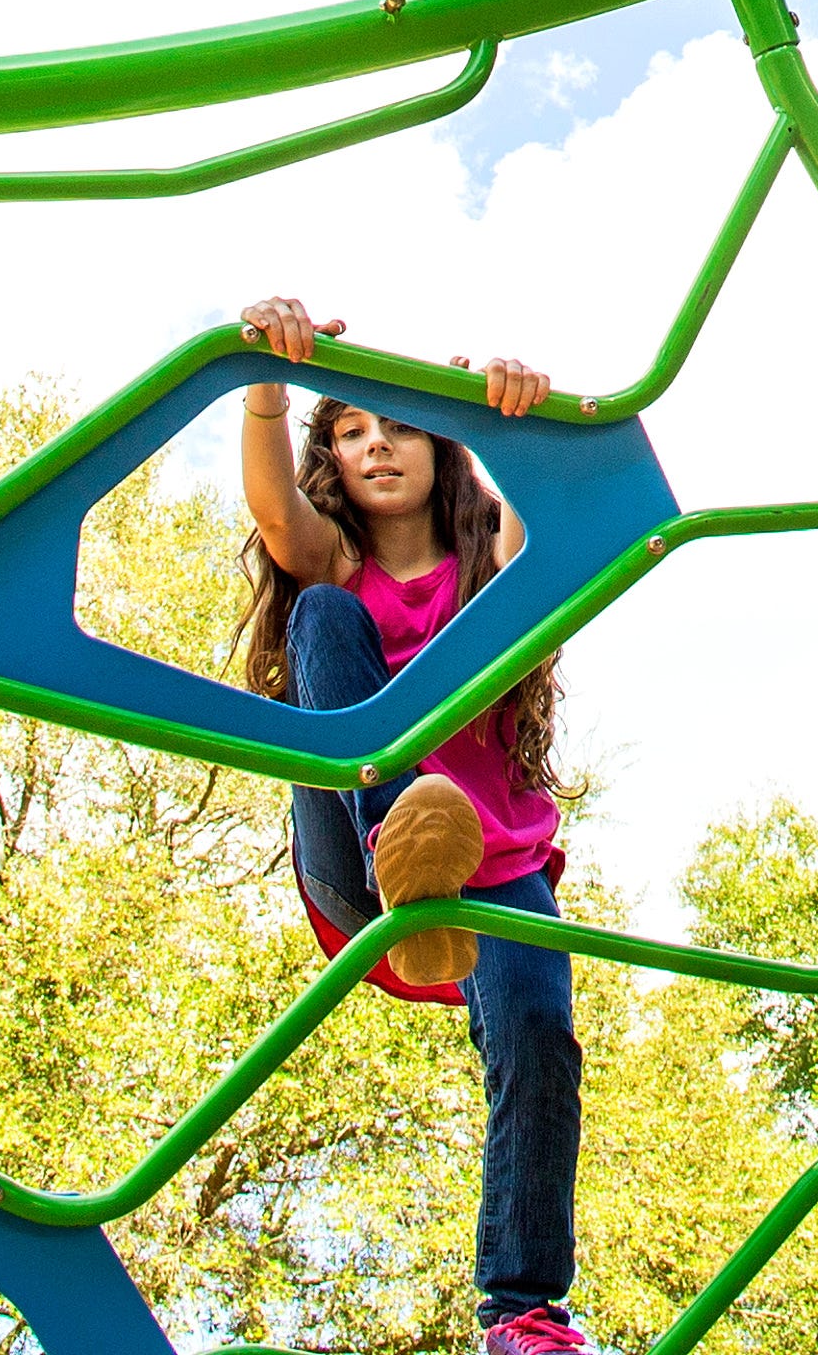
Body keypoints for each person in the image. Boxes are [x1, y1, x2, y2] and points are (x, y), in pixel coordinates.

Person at [231, 294, 596, 1355]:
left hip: (493, 874)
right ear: (331, 462)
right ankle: (408, 853)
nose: (377, 446)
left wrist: (502, 415)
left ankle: (525, 1315)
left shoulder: (486, 580)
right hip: (361, 866)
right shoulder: (337, 571)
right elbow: (271, 511)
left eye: (397, 426)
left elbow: (550, 537)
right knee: (322, 616)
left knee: (538, 1033)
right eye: (350, 431)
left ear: (439, 450)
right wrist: (264, 383)